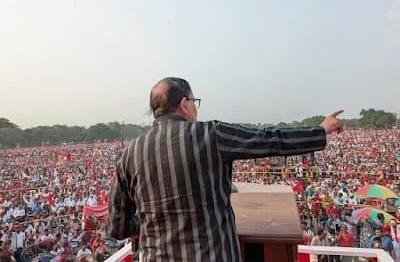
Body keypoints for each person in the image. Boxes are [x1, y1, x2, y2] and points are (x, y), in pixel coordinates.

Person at [106, 77, 344, 261]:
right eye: (194, 102)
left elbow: (118, 227)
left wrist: (152, 224)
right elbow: (270, 139)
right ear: (184, 105)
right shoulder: (211, 134)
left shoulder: (128, 154)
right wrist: (320, 130)